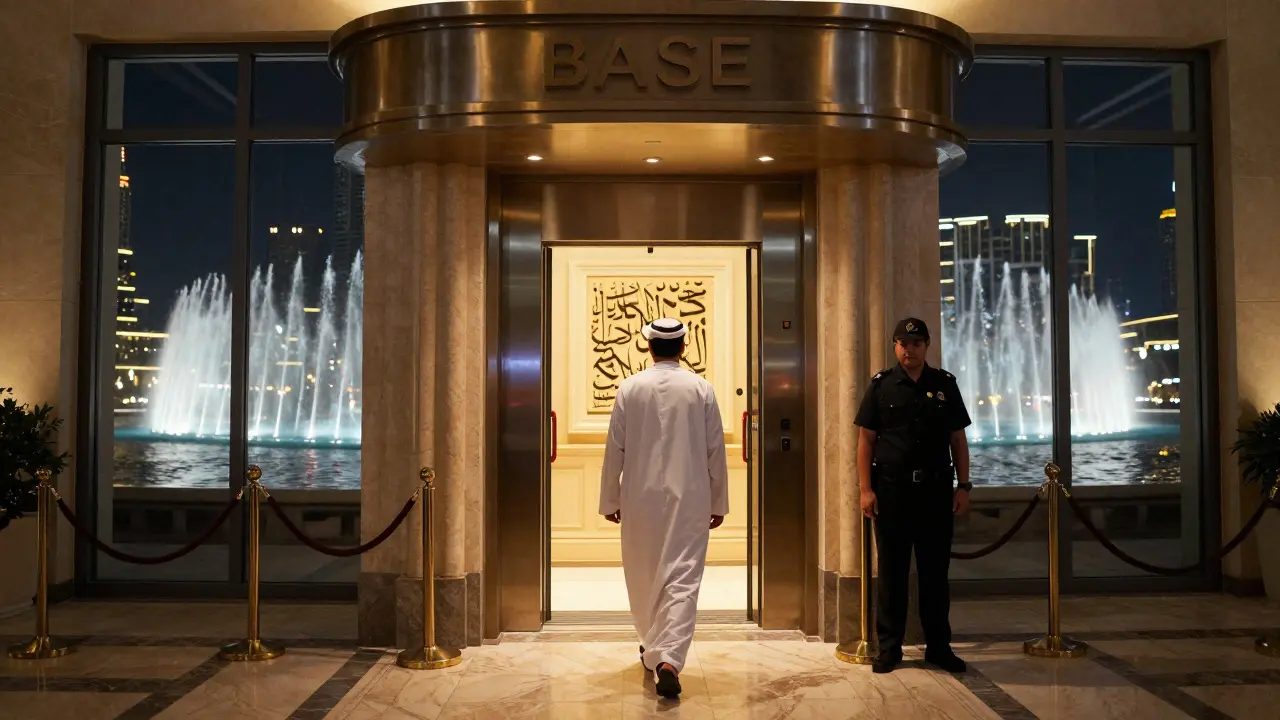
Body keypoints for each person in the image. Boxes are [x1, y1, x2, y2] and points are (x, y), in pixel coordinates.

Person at [599, 317, 730, 699]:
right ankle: (666, 655)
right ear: (684, 347)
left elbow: (615, 449)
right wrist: (719, 500)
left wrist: (610, 498)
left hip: (638, 499)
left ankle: (660, 653)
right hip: (690, 498)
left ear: (649, 347)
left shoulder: (629, 387)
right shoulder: (701, 389)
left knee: (643, 572)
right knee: (683, 577)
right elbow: (714, 450)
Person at [855, 317, 972, 674]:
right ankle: (889, 649)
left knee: (935, 574)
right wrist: (865, 489)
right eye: (904, 344)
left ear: (927, 346)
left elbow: (957, 440)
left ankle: (939, 647)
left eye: (917, 343)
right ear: (895, 346)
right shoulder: (881, 386)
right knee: (891, 574)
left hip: (936, 492)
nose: (910, 350)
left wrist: (963, 486)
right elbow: (866, 441)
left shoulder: (944, 385)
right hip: (892, 492)